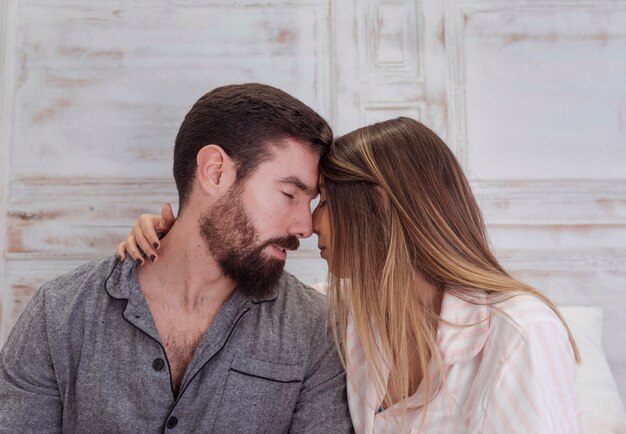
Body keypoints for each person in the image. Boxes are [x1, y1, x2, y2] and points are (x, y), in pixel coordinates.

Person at [121, 117, 582, 433]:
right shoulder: (346, 317)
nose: (310, 224)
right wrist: (170, 242)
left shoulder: (520, 335)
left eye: (324, 202)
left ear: (379, 207)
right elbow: (242, 287)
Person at [0, 83, 353, 433]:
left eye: (309, 202)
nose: (305, 226)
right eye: (289, 194)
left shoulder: (315, 330)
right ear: (215, 172)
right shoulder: (59, 314)